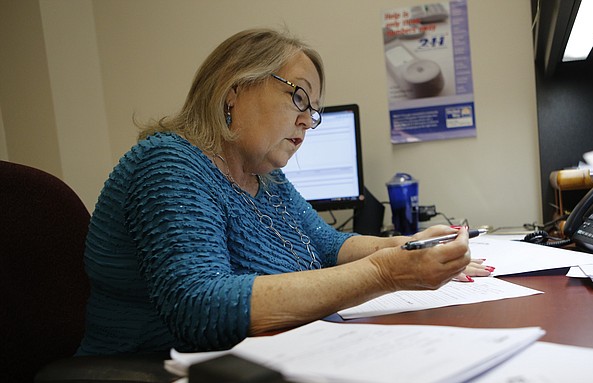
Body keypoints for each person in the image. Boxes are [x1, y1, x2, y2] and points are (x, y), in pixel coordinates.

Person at [76, 27, 492, 359]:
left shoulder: (266, 178)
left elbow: (327, 244)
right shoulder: (168, 163)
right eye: (298, 97)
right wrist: (387, 273)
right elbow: (199, 306)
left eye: (312, 110)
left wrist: (406, 248)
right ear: (233, 89)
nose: (307, 121)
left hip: (259, 371)